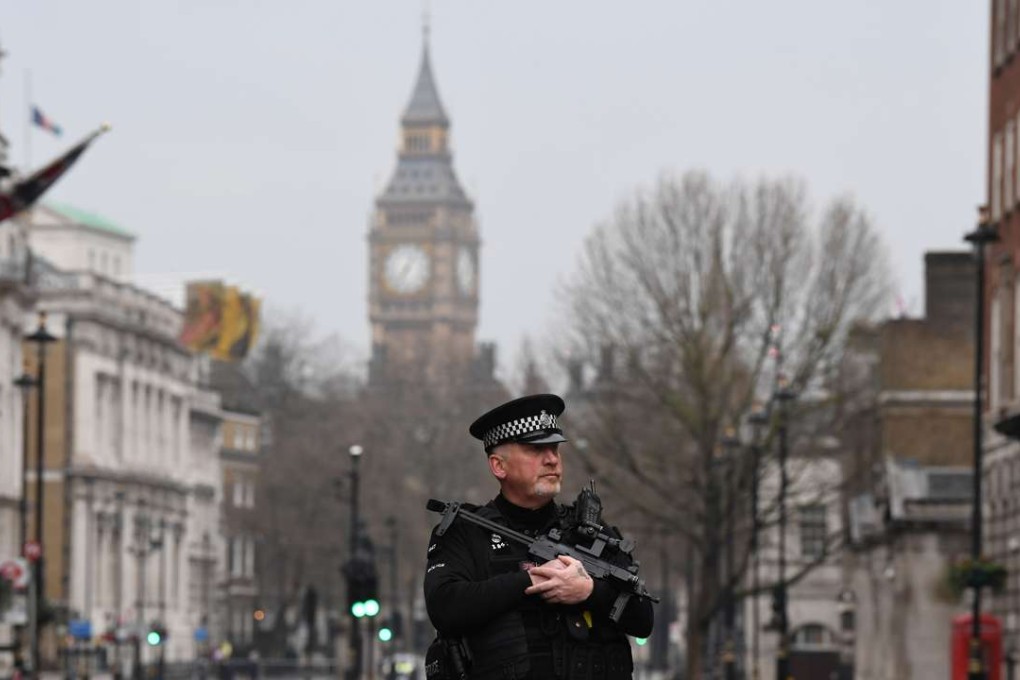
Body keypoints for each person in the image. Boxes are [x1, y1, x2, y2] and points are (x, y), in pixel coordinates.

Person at [424, 394, 654, 680]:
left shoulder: (592, 534)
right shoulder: (467, 532)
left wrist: (589, 592)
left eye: (555, 449)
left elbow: (643, 617)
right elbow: (444, 607)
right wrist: (530, 581)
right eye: (536, 450)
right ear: (499, 466)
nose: (552, 460)